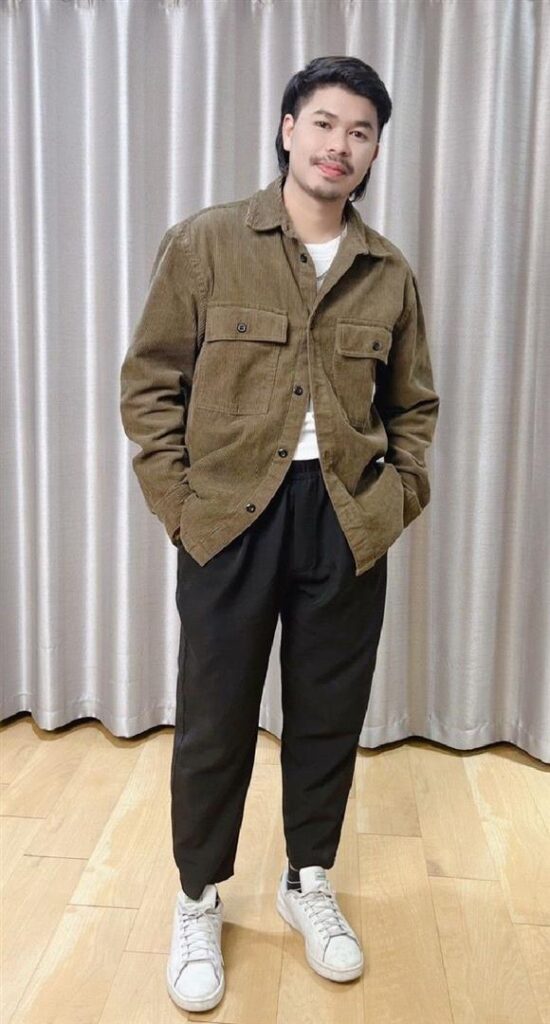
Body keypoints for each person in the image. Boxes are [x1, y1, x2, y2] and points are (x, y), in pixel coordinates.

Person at [120, 55, 439, 1014]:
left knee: (329, 714)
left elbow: (413, 407)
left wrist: (394, 499)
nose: (341, 145)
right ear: (290, 128)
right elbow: (151, 386)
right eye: (326, 123)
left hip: (345, 518)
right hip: (229, 518)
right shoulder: (207, 243)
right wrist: (182, 508)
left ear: (374, 151)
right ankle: (197, 897)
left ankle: (309, 881)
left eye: (361, 132)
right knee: (213, 718)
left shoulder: (387, 272)